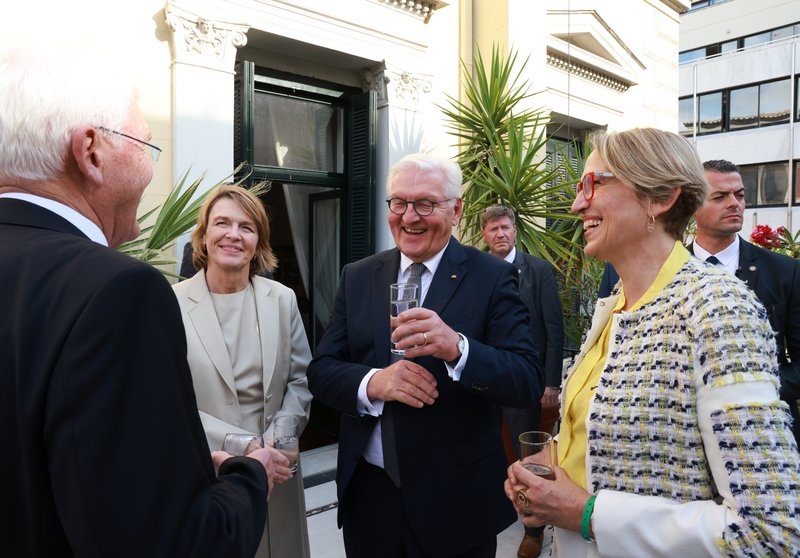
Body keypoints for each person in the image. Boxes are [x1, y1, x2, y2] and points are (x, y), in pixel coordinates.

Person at [0, 41, 285, 556]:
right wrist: (248, 474)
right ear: (91, 152)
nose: (153, 166)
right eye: (146, 144)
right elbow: (175, 543)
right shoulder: (117, 290)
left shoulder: (278, 299)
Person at [506, 128, 800, 557]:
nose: (576, 205)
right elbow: (612, 433)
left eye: (593, 184)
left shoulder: (718, 307)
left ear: (659, 198)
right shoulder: (615, 306)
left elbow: (770, 531)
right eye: (578, 187)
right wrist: (548, 467)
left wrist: (590, 514)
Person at [307, 153, 543, 558]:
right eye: (398, 202)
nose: (409, 217)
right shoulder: (359, 275)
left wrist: (459, 349)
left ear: (456, 210)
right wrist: (373, 383)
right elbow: (322, 370)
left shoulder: (492, 276)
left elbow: (525, 379)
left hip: (455, 500)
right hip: (370, 496)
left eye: (425, 204)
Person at [172, 185, 313, 558]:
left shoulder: (281, 299)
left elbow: (301, 380)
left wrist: (278, 439)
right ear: (203, 236)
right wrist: (242, 447)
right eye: (222, 223)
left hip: (278, 473)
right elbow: (167, 397)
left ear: (258, 242)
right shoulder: (170, 303)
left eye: (246, 227)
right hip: (209, 473)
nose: (234, 235)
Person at [692, 159, 800, 449]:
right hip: (690, 437)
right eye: (720, 196)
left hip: (768, 436)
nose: (734, 204)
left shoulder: (784, 271)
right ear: (692, 204)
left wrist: (758, 392)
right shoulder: (667, 270)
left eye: (739, 195)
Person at [480, 204, 564, 558]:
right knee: (484, 448)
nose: (500, 234)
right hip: (483, 380)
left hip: (522, 380)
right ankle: (489, 511)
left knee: (528, 456)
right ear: (484, 234)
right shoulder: (476, 270)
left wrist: (550, 382)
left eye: (505, 228)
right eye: (493, 229)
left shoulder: (538, 270)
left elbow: (553, 328)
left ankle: (533, 529)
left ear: (514, 230)